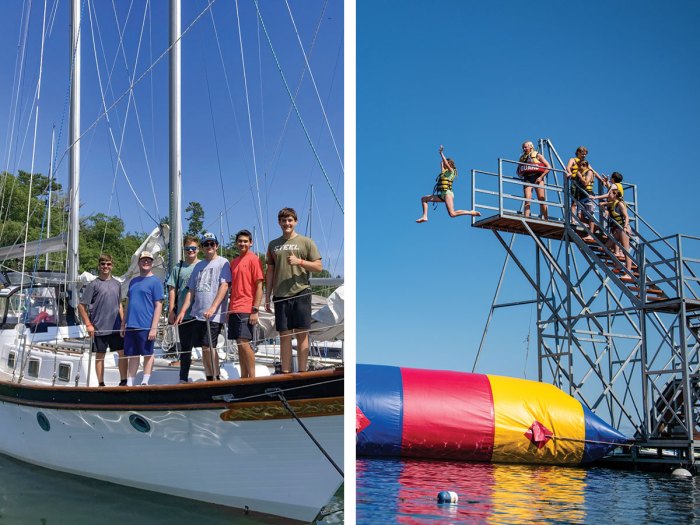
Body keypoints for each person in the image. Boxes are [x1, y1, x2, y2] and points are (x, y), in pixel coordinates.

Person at [265, 208, 322, 374]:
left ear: (295, 221)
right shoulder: (273, 245)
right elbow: (270, 271)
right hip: (280, 294)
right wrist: (267, 296)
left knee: (302, 332)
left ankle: (303, 372)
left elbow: (318, 267)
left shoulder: (306, 242)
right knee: (284, 334)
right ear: (279, 223)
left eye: (290, 220)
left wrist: (300, 261)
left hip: (301, 291)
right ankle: (286, 372)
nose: (287, 224)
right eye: (283, 221)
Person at [175, 232, 231, 381]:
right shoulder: (199, 266)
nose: (209, 247)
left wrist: (213, 307)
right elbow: (191, 291)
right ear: (202, 247)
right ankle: (209, 377)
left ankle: (216, 377)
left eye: (211, 244)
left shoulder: (222, 262)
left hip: (213, 314)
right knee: (204, 348)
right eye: (206, 244)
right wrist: (182, 311)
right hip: (197, 314)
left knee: (209, 346)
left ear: (216, 245)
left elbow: (224, 285)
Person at [77, 254, 127, 387]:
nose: (106, 266)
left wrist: (123, 323)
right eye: (103, 264)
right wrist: (88, 324)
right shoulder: (93, 285)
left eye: (108, 264)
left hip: (116, 326)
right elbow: (81, 306)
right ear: (99, 266)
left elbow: (119, 304)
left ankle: (123, 381)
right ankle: (101, 383)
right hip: (99, 326)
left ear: (112, 266)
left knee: (122, 353)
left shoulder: (117, 284)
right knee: (100, 355)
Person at [121, 251, 164, 386]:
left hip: (146, 324)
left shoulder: (155, 282)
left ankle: (145, 380)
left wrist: (154, 327)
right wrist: (123, 323)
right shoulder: (133, 281)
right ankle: (130, 381)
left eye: (149, 260)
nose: (146, 262)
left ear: (152, 263)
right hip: (131, 324)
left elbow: (158, 305)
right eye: (143, 260)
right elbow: (128, 303)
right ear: (139, 263)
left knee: (147, 353)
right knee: (133, 355)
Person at [227, 229, 264, 379]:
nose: (242, 243)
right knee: (239, 344)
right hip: (233, 308)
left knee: (244, 342)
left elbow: (260, 285)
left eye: (245, 241)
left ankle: (252, 378)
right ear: (236, 243)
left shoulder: (253, 259)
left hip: (247, 307)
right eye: (240, 241)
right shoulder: (233, 262)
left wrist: (255, 309)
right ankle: (243, 377)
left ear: (250, 243)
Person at [166, 236, 200, 383]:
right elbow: (172, 289)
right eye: (187, 249)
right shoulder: (178, 267)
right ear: (184, 250)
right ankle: (183, 378)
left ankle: (212, 376)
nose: (190, 251)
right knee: (186, 349)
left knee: (206, 346)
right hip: (183, 315)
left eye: (193, 248)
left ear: (198, 249)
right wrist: (171, 310)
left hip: (200, 313)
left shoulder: (203, 265)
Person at [416, 145, 480, 223]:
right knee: (424, 199)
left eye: (446, 164)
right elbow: (442, 165)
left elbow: (445, 163)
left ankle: (471, 212)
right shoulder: (445, 173)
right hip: (442, 195)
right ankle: (425, 216)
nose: (444, 165)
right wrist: (442, 162)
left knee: (452, 214)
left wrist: (441, 153)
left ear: (450, 165)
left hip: (448, 194)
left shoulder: (451, 171)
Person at [592, 186, 634, 281]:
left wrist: (625, 226)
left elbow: (627, 216)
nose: (608, 194)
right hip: (616, 230)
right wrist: (606, 210)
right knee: (606, 246)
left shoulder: (620, 204)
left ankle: (628, 273)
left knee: (625, 251)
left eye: (610, 193)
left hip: (623, 229)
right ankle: (618, 264)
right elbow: (601, 204)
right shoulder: (612, 204)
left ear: (615, 195)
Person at [566, 146, 607, 220]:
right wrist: (569, 173)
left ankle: (586, 221)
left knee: (582, 202)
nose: (584, 156)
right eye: (582, 154)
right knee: (574, 202)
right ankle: (573, 220)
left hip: (582, 185)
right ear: (578, 152)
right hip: (575, 182)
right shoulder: (573, 160)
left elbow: (593, 171)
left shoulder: (585, 163)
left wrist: (601, 179)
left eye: (585, 154)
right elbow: (568, 167)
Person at [517, 141, 551, 219]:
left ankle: (546, 219)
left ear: (530, 146)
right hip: (527, 178)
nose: (524, 149)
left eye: (526, 147)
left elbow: (548, 167)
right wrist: (521, 173)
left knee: (541, 199)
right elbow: (518, 170)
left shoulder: (537, 155)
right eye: (523, 147)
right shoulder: (522, 158)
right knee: (527, 199)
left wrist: (541, 177)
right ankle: (526, 218)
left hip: (537, 177)